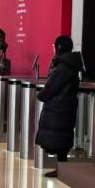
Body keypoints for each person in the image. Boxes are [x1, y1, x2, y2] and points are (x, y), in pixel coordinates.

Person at [35, 35, 82, 177]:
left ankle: (62, 170)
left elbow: (51, 87)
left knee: (60, 140)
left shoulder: (62, 67)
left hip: (59, 108)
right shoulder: (71, 65)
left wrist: (41, 95)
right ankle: (62, 169)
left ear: (59, 47)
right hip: (66, 107)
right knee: (63, 138)